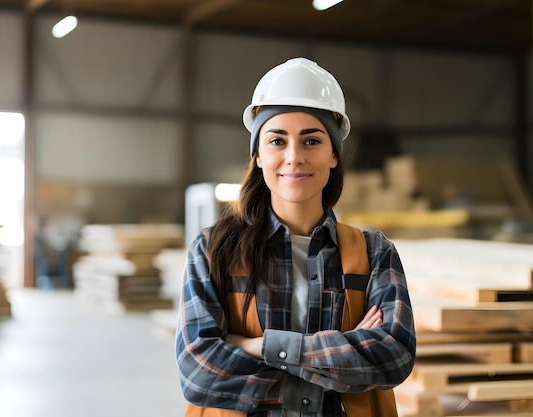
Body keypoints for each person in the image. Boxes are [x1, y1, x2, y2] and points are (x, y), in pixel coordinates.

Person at [176, 57, 416, 417]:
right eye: (277, 140)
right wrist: (341, 356)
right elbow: (200, 373)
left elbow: (392, 357)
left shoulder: (374, 253)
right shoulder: (213, 251)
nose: (293, 157)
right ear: (258, 155)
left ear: (334, 154)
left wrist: (257, 346)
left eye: (311, 141)